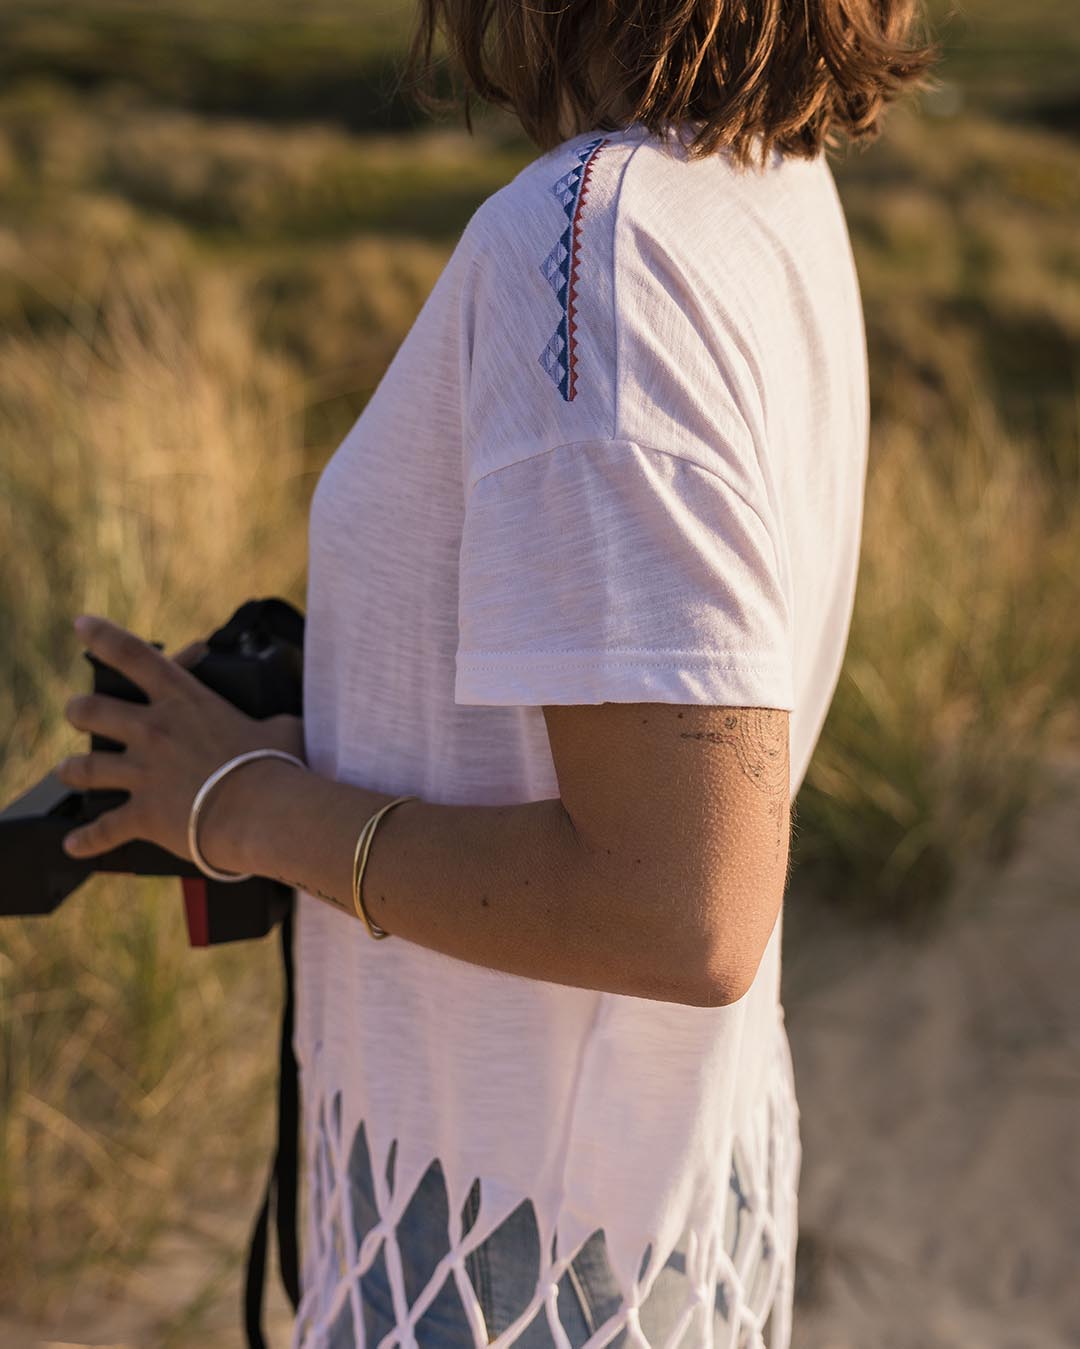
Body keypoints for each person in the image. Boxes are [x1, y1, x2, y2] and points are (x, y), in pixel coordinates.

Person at [57, 0, 940, 1345]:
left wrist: (245, 808)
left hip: (513, 1245)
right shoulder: (758, 184)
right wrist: (352, 726)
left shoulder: (597, 243)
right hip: (641, 1196)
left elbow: (680, 907)